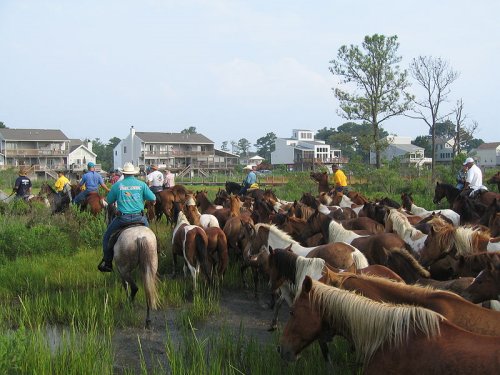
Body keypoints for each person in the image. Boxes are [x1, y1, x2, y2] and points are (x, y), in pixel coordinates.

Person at [98, 162, 156, 272]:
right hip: (140, 218)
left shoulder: (117, 186)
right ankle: (156, 253)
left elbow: (109, 201)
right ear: (134, 173)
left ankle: (108, 262)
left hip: (122, 219)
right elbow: (153, 198)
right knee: (152, 235)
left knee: (106, 237)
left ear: (123, 173)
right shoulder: (142, 184)